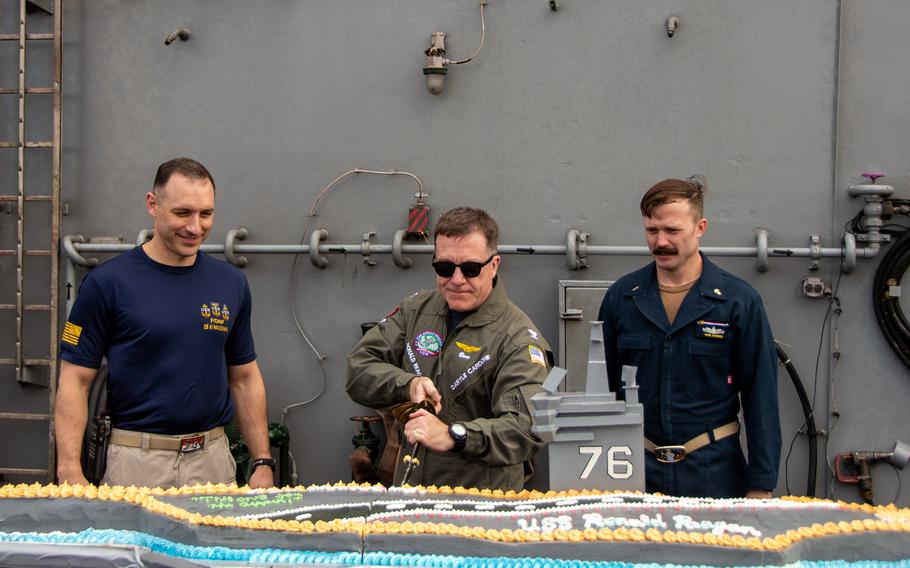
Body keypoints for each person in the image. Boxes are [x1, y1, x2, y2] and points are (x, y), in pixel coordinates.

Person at [55, 158, 274, 489]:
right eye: (183, 213)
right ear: (153, 205)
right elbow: (75, 379)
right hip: (136, 465)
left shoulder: (231, 284)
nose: (195, 227)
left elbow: (244, 377)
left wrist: (262, 462)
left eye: (206, 214)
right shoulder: (107, 284)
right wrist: (69, 467)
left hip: (212, 462)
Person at [598, 178, 780, 498]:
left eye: (672, 230)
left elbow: (760, 396)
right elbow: (605, 391)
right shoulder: (622, 298)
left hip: (712, 471)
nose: (661, 242)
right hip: (636, 471)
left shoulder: (737, 302)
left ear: (700, 227)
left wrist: (761, 484)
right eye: (652, 231)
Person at [346, 207, 552, 491]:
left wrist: (455, 435)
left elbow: (526, 429)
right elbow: (359, 369)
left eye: (470, 269)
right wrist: (408, 385)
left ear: (494, 265)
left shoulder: (517, 339)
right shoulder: (415, 312)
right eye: (444, 268)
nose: (456, 280)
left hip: (480, 511)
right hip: (410, 500)